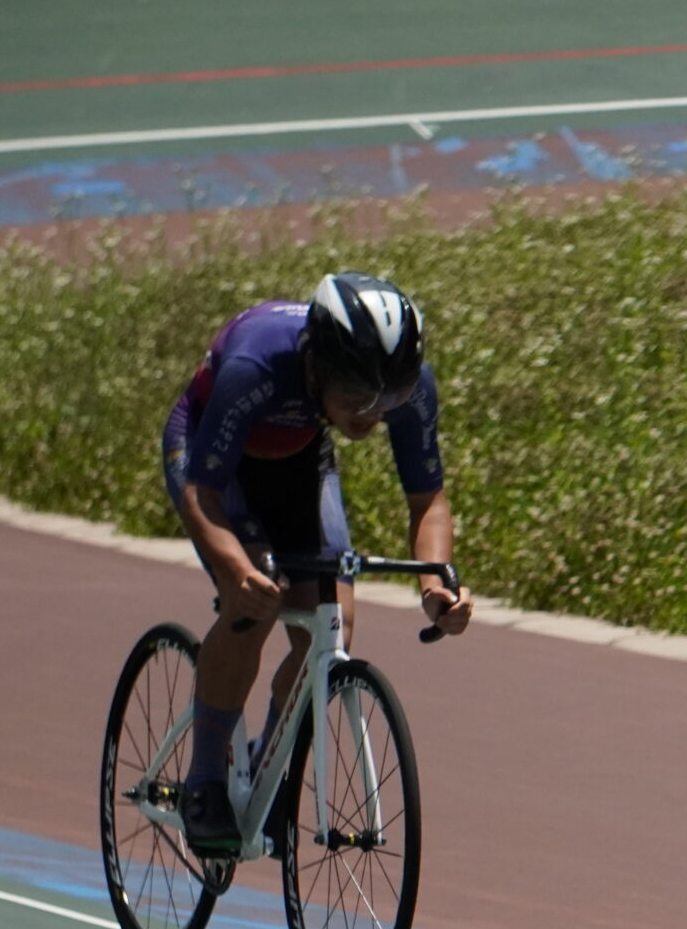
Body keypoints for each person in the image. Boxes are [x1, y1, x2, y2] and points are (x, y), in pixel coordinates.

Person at [160, 271, 472, 854]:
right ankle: (203, 781)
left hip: (300, 455)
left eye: (388, 400)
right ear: (317, 366)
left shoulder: (402, 384)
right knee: (252, 606)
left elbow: (427, 499)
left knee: (332, 630)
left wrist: (435, 586)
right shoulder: (257, 366)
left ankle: (266, 766)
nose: (372, 414)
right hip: (211, 459)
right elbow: (203, 495)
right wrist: (238, 573)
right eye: (356, 396)